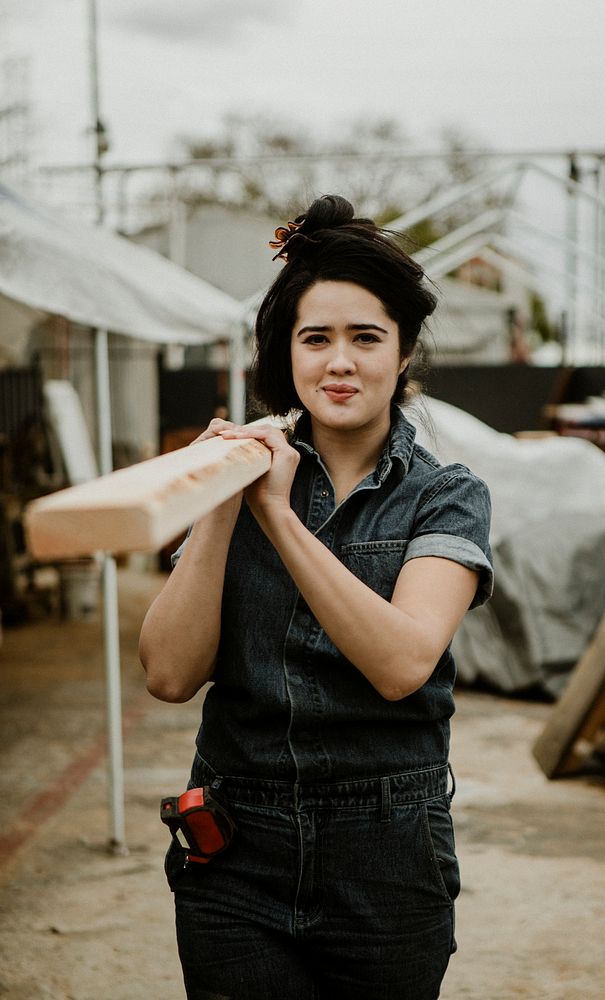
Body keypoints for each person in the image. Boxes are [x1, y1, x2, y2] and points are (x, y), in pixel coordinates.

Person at [139, 194, 493, 1000]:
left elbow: (402, 662)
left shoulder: (446, 498)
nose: (341, 361)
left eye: (366, 338)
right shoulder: (236, 479)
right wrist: (226, 504)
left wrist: (278, 515)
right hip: (234, 848)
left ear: (402, 353)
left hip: (387, 855)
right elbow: (167, 674)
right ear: (286, 355)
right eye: (315, 339)